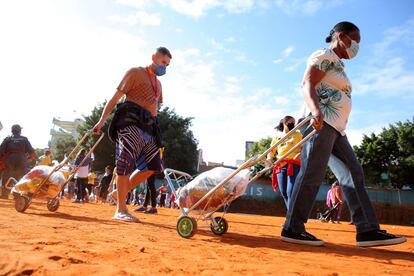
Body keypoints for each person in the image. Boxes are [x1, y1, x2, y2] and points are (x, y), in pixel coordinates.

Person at [281, 21, 406, 247]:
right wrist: (317, 111)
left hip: (337, 128)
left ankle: (367, 230)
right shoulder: (325, 54)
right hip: (320, 122)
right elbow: (307, 82)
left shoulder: (338, 64)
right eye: (354, 41)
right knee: (312, 173)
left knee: (353, 173)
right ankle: (292, 228)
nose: (357, 47)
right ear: (341, 36)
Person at [93, 47, 171, 222]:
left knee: (153, 166)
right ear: (153, 57)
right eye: (163, 62)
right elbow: (115, 98)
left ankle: (117, 193)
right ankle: (121, 210)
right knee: (125, 163)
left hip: (148, 127)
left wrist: (157, 132)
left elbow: (155, 108)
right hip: (130, 121)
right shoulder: (135, 72)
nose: (164, 67)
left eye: (167, 64)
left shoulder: (159, 84)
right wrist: (102, 120)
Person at [267, 116, 302, 210]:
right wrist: (269, 160)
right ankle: (291, 215)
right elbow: (271, 151)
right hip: (280, 165)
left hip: (293, 164)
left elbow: (304, 148)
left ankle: (291, 218)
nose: (293, 125)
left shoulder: (297, 134)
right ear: (285, 123)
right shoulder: (277, 137)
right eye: (291, 123)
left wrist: (299, 154)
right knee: (284, 193)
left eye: (294, 123)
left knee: (290, 192)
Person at [0, 124, 37, 198]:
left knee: (7, 175)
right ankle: (17, 195)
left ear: (12, 131)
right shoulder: (24, 139)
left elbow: (1, 150)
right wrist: (37, 159)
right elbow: (31, 151)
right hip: (22, 159)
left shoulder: (8, 139)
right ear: (20, 131)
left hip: (10, 158)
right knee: (20, 177)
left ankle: (4, 194)